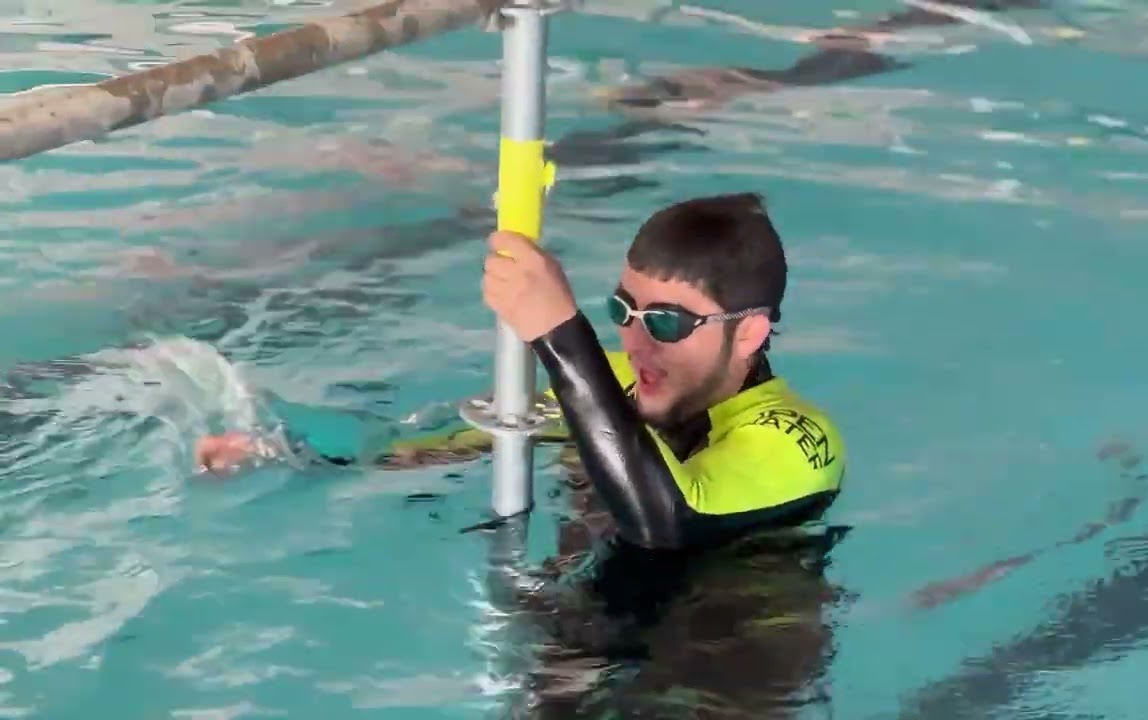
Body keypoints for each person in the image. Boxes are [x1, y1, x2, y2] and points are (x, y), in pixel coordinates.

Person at [195, 193, 852, 716]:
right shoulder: (614, 380)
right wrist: (293, 457)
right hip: (586, 642)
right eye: (623, 309)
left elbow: (665, 520)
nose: (635, 340)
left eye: (668, 323)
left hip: (719, 680)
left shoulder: (798, 440)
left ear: (750, 333)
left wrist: (560, 334)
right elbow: (455, 443)